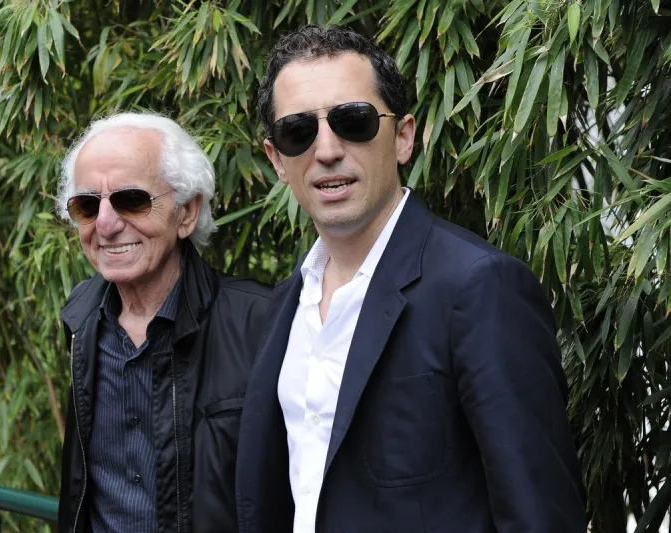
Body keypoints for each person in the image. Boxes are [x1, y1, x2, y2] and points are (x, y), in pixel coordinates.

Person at [235, 25, 586, 533]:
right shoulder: (284, 305)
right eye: (299, 131)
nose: (327, 149)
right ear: (277, 161)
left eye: (353, 121)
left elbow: (539, 515)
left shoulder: (478, 287)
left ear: (402, 137)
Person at [56, 112, 270, 533]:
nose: (106, 224)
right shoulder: (81, 319)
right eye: (86, 205)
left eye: (131, 199)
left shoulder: (262, 323)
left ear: (187, 212)